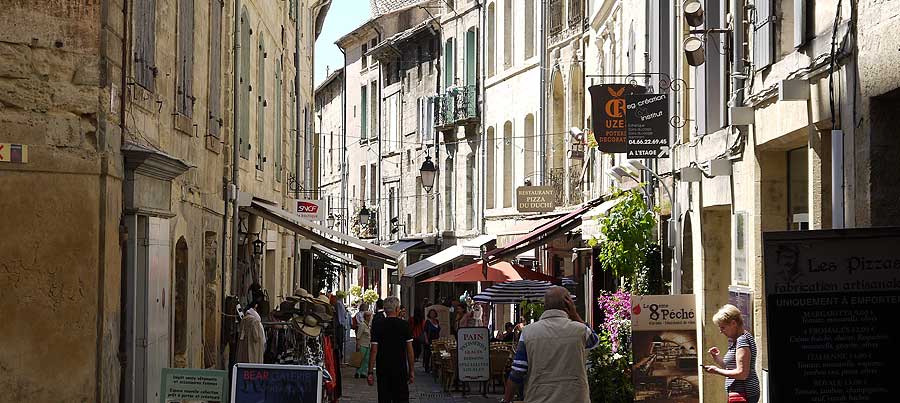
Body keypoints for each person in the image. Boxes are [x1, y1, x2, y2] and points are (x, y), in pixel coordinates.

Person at [503, 286, 599, 403]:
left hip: (539, 398)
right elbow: (594, 341)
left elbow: (517, 372)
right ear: (568, 305)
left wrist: (506, 400)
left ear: (545, 306)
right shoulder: (581, 330)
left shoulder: (528, 333)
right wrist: (575, 315)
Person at [703, 304, 760, 403]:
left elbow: (742, 374)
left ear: (733, 323)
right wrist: (717, 358)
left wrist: (716, 371)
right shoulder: (741, 339)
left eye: (723, 327)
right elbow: (731, 367)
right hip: (741, 394)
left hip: (743, 394)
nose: (721, 331)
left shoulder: (742, 341)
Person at [367, 296, 415, 403]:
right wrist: (411, 370)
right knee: (401, 398)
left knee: (384, 398)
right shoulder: (404, 325)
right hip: (400, 368)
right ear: (397, 309)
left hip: (383, 368)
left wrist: (370, 372)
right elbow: (410, 350)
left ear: (384, 309)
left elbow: (374, 350)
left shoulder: (378, 325)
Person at [355, 311, 373, 379]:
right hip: (362, 344)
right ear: (365, 317)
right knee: (360, 359)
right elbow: (358, 336)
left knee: (366, 359)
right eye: (368, 316)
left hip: (368, 344)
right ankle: (358, 372)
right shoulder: (362, 325)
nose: (369, 317)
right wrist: (358, 345)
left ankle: (363, 372)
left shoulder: (369, 325)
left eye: (370, 316)